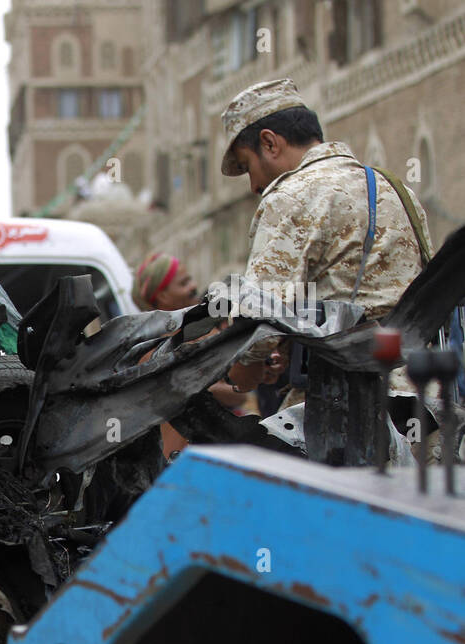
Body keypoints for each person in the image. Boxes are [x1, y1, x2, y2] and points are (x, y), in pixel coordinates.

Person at [217, 78, 429, 395]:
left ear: (270, 143)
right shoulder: (396, 190)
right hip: (423, 399)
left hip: (348, 404)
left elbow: (259, 317)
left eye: (248, 166)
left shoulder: (291, 196)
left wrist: (242, 373)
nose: (253, 186)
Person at [134, 252, 249, 457]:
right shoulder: (145, 351)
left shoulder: (210, 336)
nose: (194, 286)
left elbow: (239, 393)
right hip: (172, 463)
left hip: (220, 453)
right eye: (184, 283)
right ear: (163, 296)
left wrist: (194, 387)